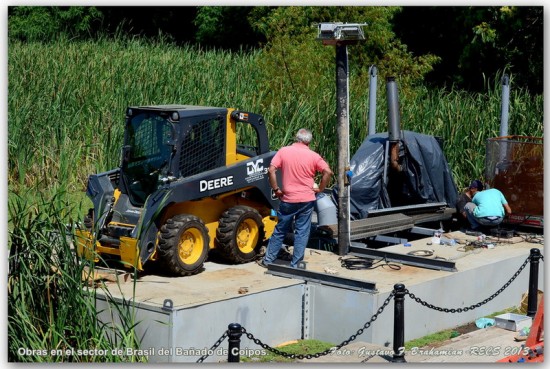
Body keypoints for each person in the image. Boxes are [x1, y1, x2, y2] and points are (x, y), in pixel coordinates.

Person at [259, 128, 333, 268]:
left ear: (296, 138)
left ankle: (268, 260)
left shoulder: (284, 151)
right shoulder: (313, 156)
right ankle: (296, 263)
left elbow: (271, 170)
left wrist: (276, 189)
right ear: (309, 141)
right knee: (302, 232)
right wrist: (321, 188)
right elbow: (327, 171)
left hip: (288, 198)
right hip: (307, 199)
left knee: (280, 230)